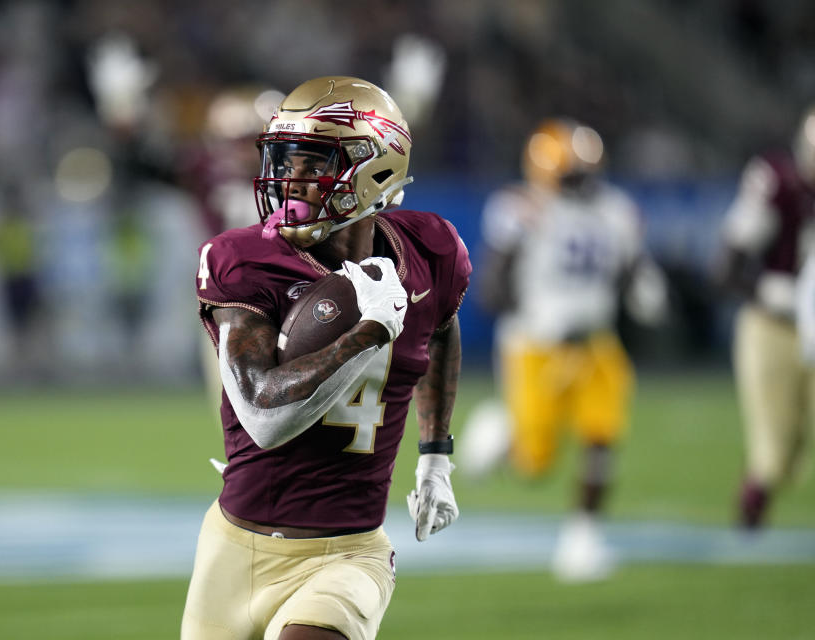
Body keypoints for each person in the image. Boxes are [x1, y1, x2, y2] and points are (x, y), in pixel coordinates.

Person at [183, 76, 471, 639]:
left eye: (314, 163)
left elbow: (440, 329)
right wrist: (364, 335)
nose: (292, 178)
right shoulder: (245, 260)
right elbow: (264, 417)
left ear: (375, 170)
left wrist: (436, 456)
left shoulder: (430, 252)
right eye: (284, 159)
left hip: (348, 555)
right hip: (234, 549)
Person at [474, 118, 667, 582]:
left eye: (586, 171)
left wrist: (644, 288)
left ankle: (582, 540)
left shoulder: (616, 210)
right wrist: (532, 313)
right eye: (572, 173)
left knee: (603, 436)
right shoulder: (521, 209)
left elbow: (630, 268)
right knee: (535, 463)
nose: (582, 181)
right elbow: (492, 286)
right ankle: (501, 434)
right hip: (536, 348)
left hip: (597, 343)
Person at [717, 103, 815, 531]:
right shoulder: (779, 183)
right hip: (773, 328)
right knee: (773, 455)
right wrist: (771, 291)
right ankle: (748, 528)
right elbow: (727, 266)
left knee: (797, 454)